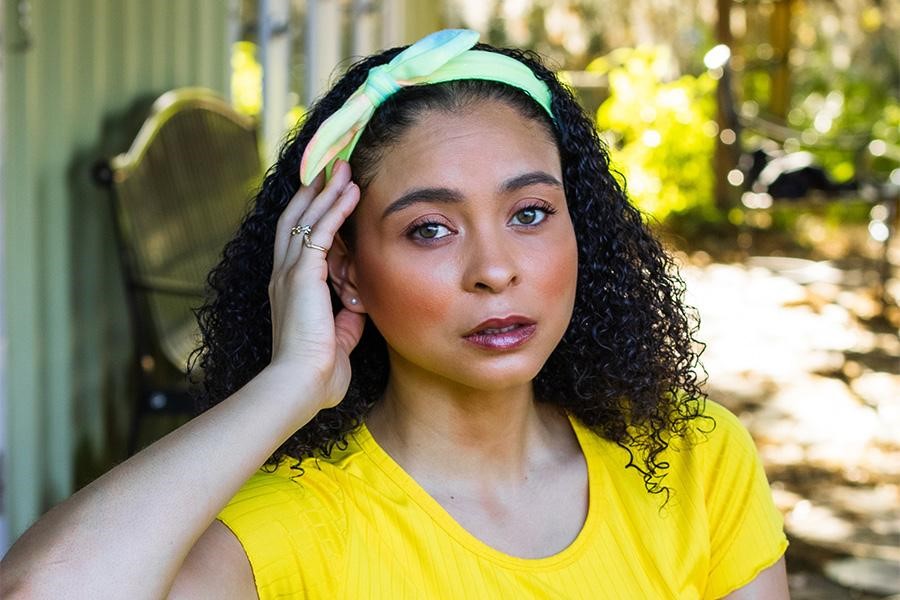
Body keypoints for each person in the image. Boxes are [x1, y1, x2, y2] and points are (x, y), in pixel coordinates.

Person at [1, 29, 789, 599]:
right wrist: (290, 385)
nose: (494, 270)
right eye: (430, 229)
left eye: (530, 213)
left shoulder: (693, 462)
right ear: (341, 265)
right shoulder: (295, 524)